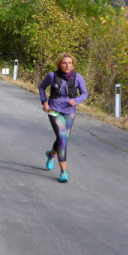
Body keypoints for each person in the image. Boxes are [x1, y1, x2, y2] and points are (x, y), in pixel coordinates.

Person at [38, 53, 88, 183]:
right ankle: (64, 171)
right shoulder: (52, 76)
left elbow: (84, 93)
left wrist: (76, 101)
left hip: (70, 112)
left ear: (73, 64)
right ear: (59, 64)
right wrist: (44, 101)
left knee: (63, 139)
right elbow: (42, 87)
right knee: (62, 137)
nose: (67, 65)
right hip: (54, 110)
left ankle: (51, 154)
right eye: (64, 63)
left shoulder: (77, 77)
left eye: (69, 63)